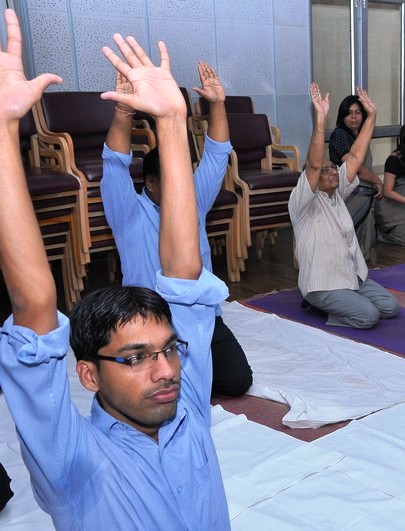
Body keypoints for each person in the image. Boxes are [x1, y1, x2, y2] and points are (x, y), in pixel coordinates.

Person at [0, 19, 231, 529]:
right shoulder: (74, 464)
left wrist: (173, 120)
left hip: (154, 299)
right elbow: (35, 306)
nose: (166, 371)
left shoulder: (187, 406)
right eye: (135, 358)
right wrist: (2, 133)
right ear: (88, 375)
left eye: (169, 350)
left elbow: (185, 277)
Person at [101, 61, 252, 397]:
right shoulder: (128, 212)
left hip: (199, 316)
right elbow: (114, 163)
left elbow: (216, 155)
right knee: (153, 390)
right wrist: (124, 111)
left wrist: (217, 104)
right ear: (150, 183)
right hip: (149, 322)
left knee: (237, 381)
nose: (182, 185)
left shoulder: (192, 198)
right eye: (171, 179)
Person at [289, 84, 399, 329]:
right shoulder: (302, 201)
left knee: (390, 307)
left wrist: (372, 116)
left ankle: (347, 300)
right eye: (325, 170)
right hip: (322, 284)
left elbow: (356, 157)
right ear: (311, 178)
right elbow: (313, 164)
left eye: (332, 168)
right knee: (368, 316)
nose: (332, 172)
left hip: (350, 276)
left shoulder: (337, 192)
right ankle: (320, 305)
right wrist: (320, 119)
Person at [329, 94, 383, 262]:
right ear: (342, 116)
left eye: (358, 112)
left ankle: (360, 269)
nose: (353, 117)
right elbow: (355, 169)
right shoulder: (339, 134)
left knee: (365, 241)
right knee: (346, 238)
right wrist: (377, 180)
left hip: (365, 194)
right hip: (349, 195)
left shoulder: (360, 136)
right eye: (349, 113)